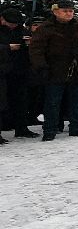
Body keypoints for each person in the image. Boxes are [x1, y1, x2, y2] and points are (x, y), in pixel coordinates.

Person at [29, 0, 78, 141]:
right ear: (55, 11)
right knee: (52, 102)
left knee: (77, 100)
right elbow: (36, 50)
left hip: (77, 69)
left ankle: (76, 127)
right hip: (54, 69)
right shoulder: (45, 28)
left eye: (71, 11)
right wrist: (41, 67)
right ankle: (50, 130)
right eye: (65, 11)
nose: (69, 13)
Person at [1, 7, 38, 138]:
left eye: (16, 23)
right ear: (3, 19)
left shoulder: (22, 31)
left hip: (20, 71)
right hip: (2, 71)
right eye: (11, 23)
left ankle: (21, 128)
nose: (13, 26)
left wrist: (29, 44)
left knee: (21, 101)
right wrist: (8, 48)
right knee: (2, 103)